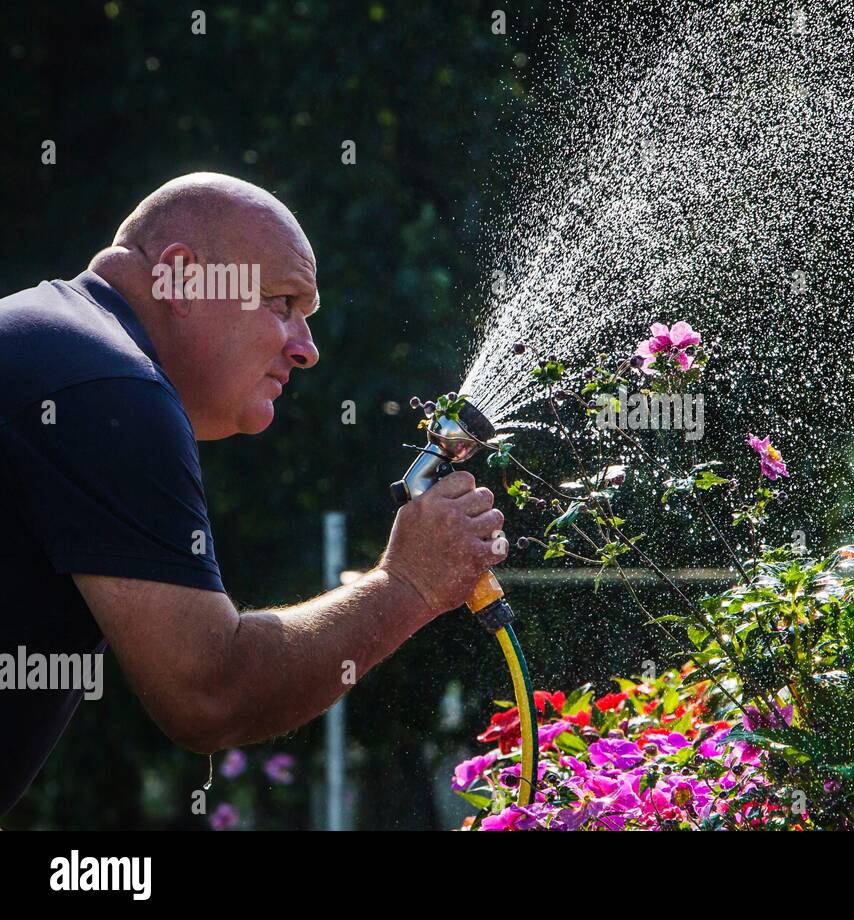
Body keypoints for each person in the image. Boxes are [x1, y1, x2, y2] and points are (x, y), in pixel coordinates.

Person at [0, 172, 507, 817]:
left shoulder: (65, 348)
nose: (308, 351)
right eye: (282, 304)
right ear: (182, 279)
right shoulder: (107, 385)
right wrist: (407, 585)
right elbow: (210, 692)